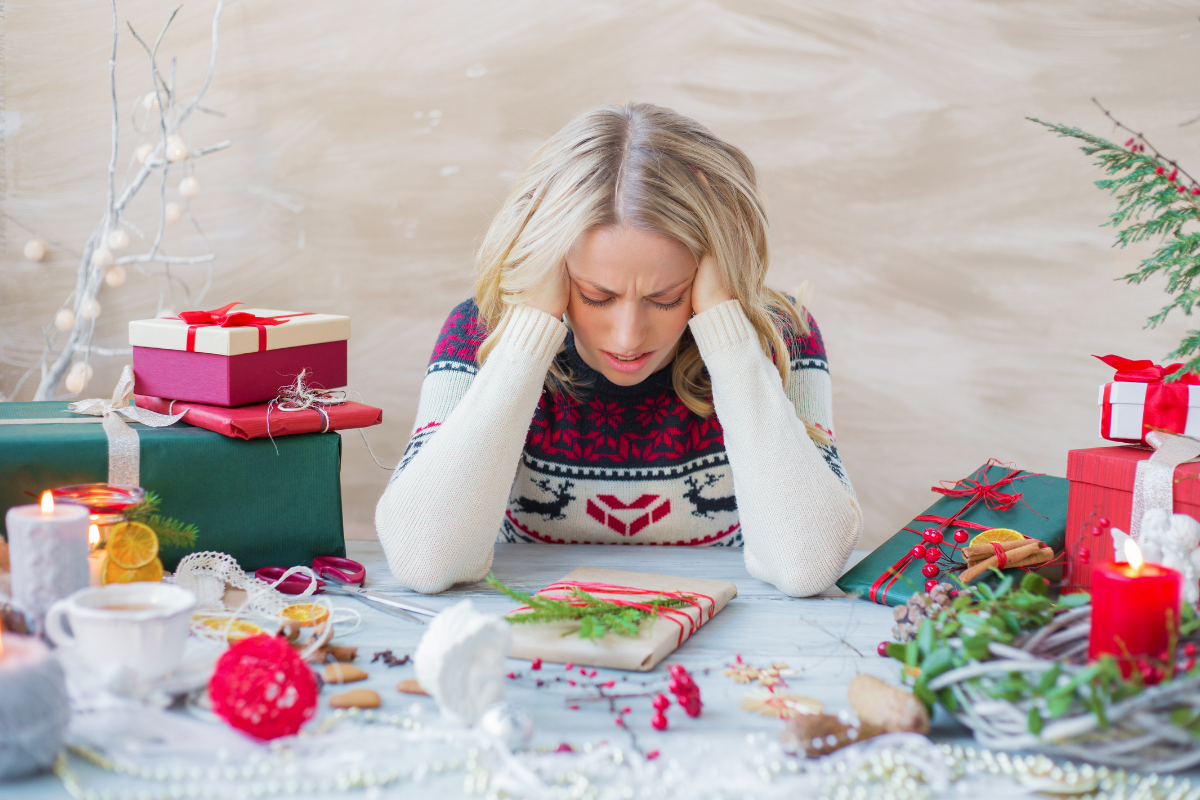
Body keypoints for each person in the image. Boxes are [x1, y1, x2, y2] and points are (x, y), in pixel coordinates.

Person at [376, 102, 862, 596]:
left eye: (666, 298)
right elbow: (425, 558)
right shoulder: (480, 332)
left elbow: (807, 564)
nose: (628, 337)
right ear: (555, 268)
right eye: (597, 296)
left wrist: (725, 325)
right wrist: (529, 331)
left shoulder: (781, 335)